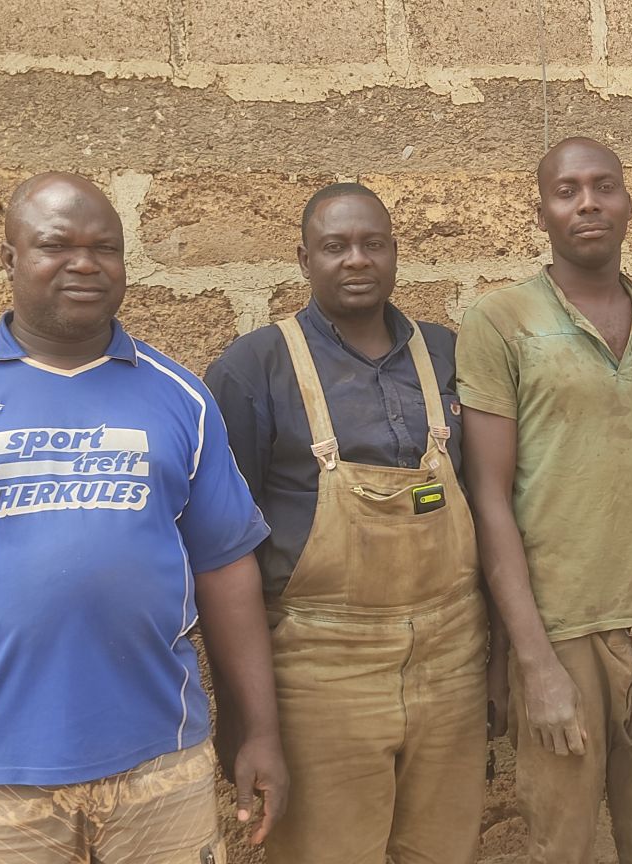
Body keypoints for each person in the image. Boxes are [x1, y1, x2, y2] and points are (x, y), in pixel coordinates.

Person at [0, 172, 287, 864]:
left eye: (105, 248)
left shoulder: (181, 398)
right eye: (56, 245)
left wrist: (260, 731)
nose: (85, 263)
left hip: (162, 768)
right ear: (10, 258)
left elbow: (227, 574)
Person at [204, 182, 489, 864]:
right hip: (320, 668)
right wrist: (242, 715)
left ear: (394, 253)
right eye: (335, 247)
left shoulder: (445, 355)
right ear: (305, 259)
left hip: (451, 657)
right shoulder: (254, 368)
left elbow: (488, 502)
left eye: (372, 244)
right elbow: (222, 554)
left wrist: (498, 660)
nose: (356, 259)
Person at [458, 136, 632, 864]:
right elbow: (489, 500)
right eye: (567, 192)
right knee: (558, 843)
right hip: (561, 629)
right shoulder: (501, 320)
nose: (588, 203)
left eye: (603, 187)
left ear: (627, 203)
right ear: (542, 213)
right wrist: (532, 660)